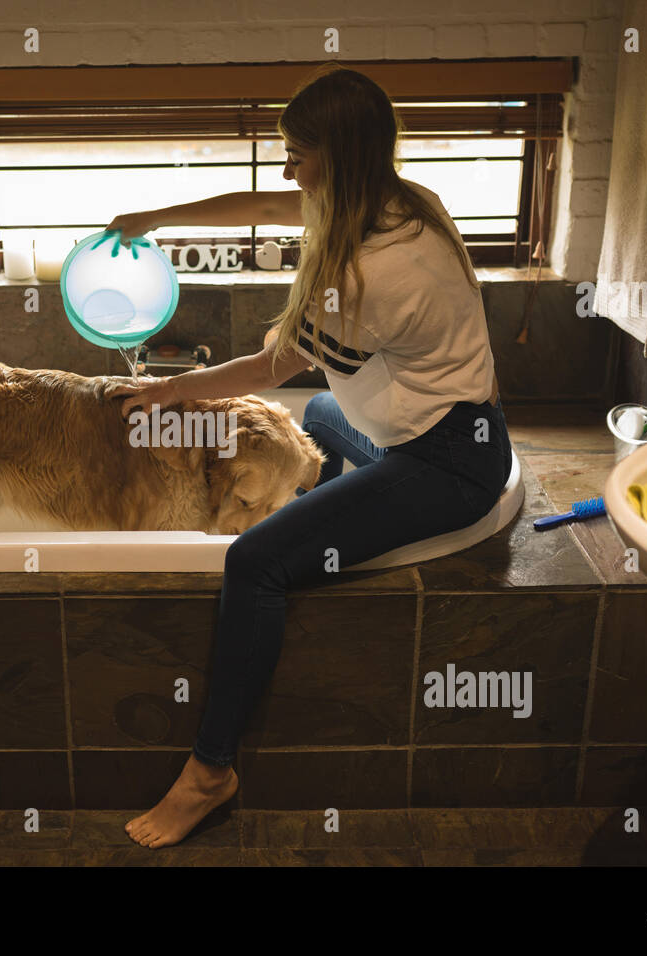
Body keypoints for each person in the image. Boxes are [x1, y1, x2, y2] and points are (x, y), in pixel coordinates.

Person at [104, 63, 511, 849]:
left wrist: (164, 395)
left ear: (340, 156)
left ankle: (210, 772)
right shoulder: (397, 202)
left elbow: (267, 370)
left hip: (450, 464)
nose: (287, 169)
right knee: (323, 413)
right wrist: (154, 216)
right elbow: (261, 202)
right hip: (431, 428)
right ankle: (361, 511)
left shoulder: (372, 274)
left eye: (298, 152)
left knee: (254, 563)